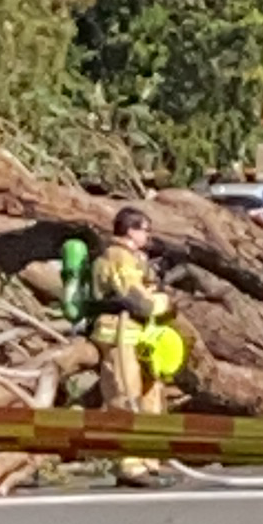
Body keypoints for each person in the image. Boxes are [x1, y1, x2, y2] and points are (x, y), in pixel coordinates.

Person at [91, 206, 175, 488]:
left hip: (141, 335)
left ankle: (149, 458)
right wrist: (161, 303)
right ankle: (128, 461)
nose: (148, 235)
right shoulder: (118, 256)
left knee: (151, 396)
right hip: (118, 334)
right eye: (144, 229)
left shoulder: (138, 257)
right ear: (130, 230)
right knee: (125, 396)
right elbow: (135, 299)